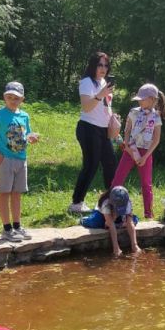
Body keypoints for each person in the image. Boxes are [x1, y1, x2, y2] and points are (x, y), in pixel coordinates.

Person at [0, 81, 39, 243]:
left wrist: (32, 137)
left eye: (16, 98)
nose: (13, 100)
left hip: (21, 159)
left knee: (17, 194)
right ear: (4, 97)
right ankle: (7, 229)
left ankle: (17, 226)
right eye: (10, 97)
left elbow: (26, 134)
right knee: (4, 193)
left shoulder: (24, 116)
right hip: (5, 160)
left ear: (22, 99)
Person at [110, 84, 165, 219]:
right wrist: (127, 147)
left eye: (142, 99)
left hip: (145, 153)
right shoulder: (133, 112)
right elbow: (127, 131)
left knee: (146, 184)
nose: (139, 101)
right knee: (117, 179)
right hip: (130, 150)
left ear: (152, 99)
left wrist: (146, 156)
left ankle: (148, 214)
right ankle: (110, 209)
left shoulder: (156, 117)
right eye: (139, 99)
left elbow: (156, 139)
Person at [68, 51, 116, 215]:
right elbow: (86, 107)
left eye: (106, 65)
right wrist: (100, 94)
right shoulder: (86, 82)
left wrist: (113, 121)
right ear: (93, 65)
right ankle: (76, 203)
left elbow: (105, 107)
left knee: (110, 163)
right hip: (88, 128)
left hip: (103, 130)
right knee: (91, 165)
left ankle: (109, 201)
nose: (103, 68)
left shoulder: (104, 82)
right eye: (100, 65)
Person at [96, 186, 140, 257]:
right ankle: (120, 224)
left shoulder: (127, 202)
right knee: (97, 222)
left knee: (134, 219)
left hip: (119, 215)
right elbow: (111, 225)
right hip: (105, 215)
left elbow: (130, 222)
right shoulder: (106, 204)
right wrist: (116, 248)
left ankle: (120, 224)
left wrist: (135, 245)